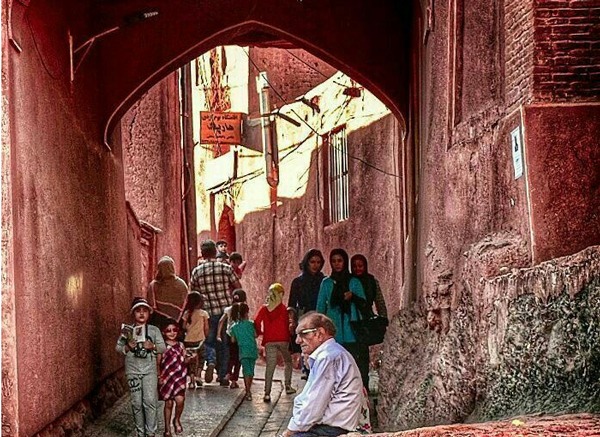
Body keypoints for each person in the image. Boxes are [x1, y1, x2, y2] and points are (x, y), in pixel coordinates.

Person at [279, 312, 363, 437]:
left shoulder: (328, 357)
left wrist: (290, 430)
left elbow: (314, 405)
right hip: (325, 428)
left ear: (319, 333)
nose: (297, 340)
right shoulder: (330, 354)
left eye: (303, 334)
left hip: (329, 430)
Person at [190, 239, 241, 386]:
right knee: (224, 343)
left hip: (206, 313)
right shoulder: (225, 268)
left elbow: (192, 293)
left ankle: (211, 361)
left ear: (202, 253)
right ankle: (223, 374)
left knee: (207, 341)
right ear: (215, 252)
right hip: (225, 312)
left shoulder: (196, 271)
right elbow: (238, 287)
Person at [116, 297, 166, 437]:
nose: (141, 314)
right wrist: (127, 347)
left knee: (150, 401)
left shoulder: (154, 330)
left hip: (149, 370)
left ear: (149, 314)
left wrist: (153, 346)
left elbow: (163, 348)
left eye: (145, 311)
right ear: (133, 313)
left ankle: (151, 432)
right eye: (138, 311)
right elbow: (118, 348)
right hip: (133, 370)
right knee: (136, 403)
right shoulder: (127, 330)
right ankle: (140, 432)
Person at [316, 248, 366, 377]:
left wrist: (353, 297)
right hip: (333, 330)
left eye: (340, 261)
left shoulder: (354, 282)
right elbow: (320, 308)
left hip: (352, 329)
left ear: (345, 262)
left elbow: (364, 303)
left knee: (352, 364)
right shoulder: (326, 283)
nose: (337, 264)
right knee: (333, 367)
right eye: (333, 261)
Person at [351, 253, 389, 389]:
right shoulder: (349, 282)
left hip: (366, 320)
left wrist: (383, 318)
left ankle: (364, 385)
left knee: (363, 355)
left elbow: (379, 301)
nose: (357, 269)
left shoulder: (372, 281)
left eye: (360, 266)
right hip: (352, 321)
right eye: (354, 266)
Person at [254, 283, 296, 402]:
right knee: (288, 361)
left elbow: (256, 321)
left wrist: (260, 332)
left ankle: (267, 393)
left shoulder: (264, 308)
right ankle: (288, 386)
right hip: (283, 340)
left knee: (270, 366)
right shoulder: (284, 309)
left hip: (269, 340)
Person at [288, 249, 325, 379]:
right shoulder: (298, 282)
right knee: (307, 346)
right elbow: (292, 304)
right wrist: (292, 321)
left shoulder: (324, 281)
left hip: (320, 317)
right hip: (304, 318)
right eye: (312, 262)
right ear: (307, 263)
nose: (315, 265)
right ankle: (308, 370)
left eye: (318, 262)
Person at [158, 320, 188, 436]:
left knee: (180, 400)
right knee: (168, 404)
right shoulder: (162, 346)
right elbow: (158, 362)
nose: (172, 333)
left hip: (179, 377)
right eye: (168, 330)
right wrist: (159, 376)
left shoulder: (181, 345)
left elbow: (184, 359)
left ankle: (177, 419)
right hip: (166, 378)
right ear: (164, 332)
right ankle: (167, 428)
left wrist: (190, 359)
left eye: (174, 330)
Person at [148, 256, 189, 331]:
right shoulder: (181, 284)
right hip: (178, 322)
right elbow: (186, 304)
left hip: (158, 322)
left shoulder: (153, 285)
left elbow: (151, 306)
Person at [217, 288, 247, 388]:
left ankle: (227, 373)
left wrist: (218, 334)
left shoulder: (228, 309)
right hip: (241, 337)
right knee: (239, 359)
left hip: (229, 336)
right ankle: (234, 381)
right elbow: (246, 323)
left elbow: (221, 321)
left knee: (230, 356)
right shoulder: (244, 309)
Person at [229, 302, 258, 401]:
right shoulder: (251, 324)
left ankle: (248, 391)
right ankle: (248, 390)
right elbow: (255, 335)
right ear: (247, 312)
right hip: (252, 349)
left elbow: (232, 340)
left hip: (243, 350)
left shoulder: (234, 327)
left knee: (246, 371)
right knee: (251, 370)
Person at [181, 291, 209, 389]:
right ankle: (198, 375)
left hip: (188, 340)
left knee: (191, 360)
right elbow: (206, 328)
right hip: (200, 340)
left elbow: (184, 326)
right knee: (201, 358)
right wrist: (206, 336)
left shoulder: (186, 313)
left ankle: (192, 382)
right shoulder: (203, 313)